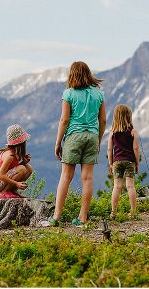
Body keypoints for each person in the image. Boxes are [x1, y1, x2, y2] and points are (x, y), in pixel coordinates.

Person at [52, 61, 106, 226]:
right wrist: (98, 139)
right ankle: (82, 217)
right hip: (92, 136)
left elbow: (64, 120)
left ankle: (56, 217)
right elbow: (103, 120)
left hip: (74, 136)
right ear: (88, 74)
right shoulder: (98, 94)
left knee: (66, 176)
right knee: (87, 177)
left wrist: (58, 142)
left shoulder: (69, 93)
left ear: (72, 75)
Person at [107, 104, 141, 218]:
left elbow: (109, 149)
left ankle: (113, 212)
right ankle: (132, 212)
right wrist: (137, 163)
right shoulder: (133, 132)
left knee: (117, 187)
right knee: (130, 186)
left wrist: (111, 164)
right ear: (128, 116)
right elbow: (136, 149)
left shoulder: (112, 132)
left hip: (117, 162)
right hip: (129, 161)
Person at [0, 124, 33, 199]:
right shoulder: (9, 156)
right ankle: (4, 193)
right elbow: (0, 175)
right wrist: (16, 184)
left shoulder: (15, 154)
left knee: (28, 168)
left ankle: (12, 192)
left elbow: (12, 169)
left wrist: (24, 162)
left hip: (2, 180)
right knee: (22, 168)